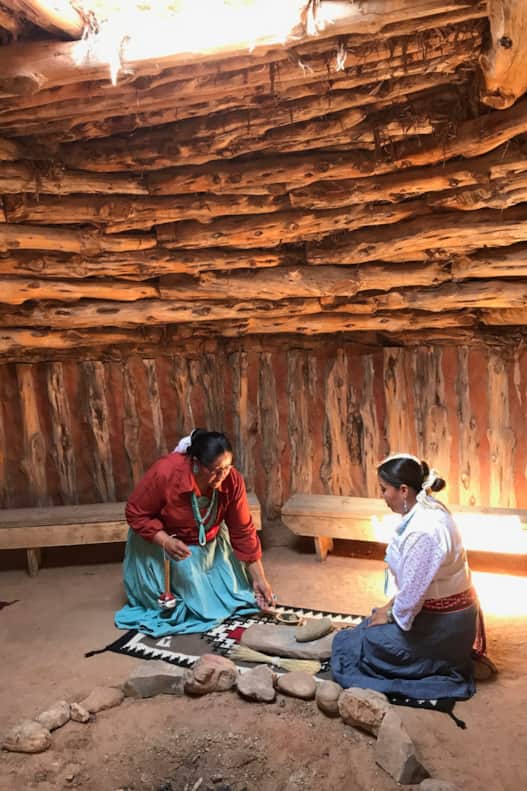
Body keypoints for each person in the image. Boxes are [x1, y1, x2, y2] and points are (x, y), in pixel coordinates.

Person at [331, 453, 488, 700]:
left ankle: (443, 660)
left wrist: (392, 614)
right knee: (369, 624)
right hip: (445, 613)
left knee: (368, 643)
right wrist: (387, 608)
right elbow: (415, 586)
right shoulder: (426, 507)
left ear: (404, 490)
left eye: (384, 489)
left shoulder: (424, 532)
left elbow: (413, 597)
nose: (382, 496)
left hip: (446, 626)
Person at [115, 429, 274, 637]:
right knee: (194, 609)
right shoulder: (166, 472)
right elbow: (135, 513)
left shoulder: (231, 480)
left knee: (237, 598)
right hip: (167, 543)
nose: (222, 475)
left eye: (227, 468)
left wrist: (259, 578)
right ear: (196, 464)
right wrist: (164, 541)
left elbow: (242, 530)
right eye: (216, 470)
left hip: (209, 543)